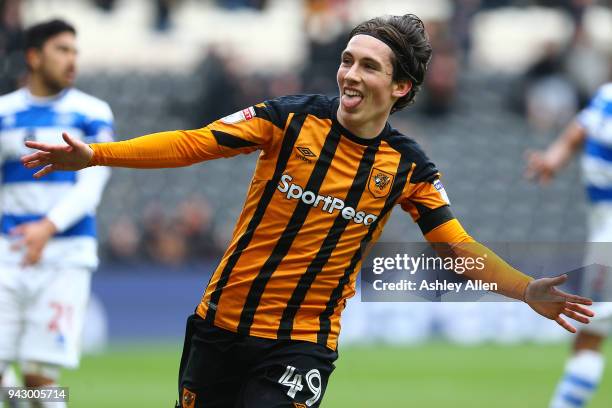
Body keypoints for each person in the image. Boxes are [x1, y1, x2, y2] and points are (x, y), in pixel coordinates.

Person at [22, 14, 594, 408]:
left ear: (400, 87)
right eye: (348, 60)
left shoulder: (409, 168)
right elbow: (194, 143)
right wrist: (96, 155)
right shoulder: (289, 117)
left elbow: (456, 247)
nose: (350, 74)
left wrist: (524, 290)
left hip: (302, 342)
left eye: (369, 67)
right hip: (219, 325)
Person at [0, 19, 113, 407]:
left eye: (75, 51)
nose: (72, 60)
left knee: (40, 376)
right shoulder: (3, 112)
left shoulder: (91, 112)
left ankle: (16, 395)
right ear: (33, 56)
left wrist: (48, 227)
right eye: (62, 50)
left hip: (65, 255)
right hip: (8, 252)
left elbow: (94, 180)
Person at [526, 83, 612, 408]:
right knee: (591, 336)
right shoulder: (607, 96)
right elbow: (580, 129)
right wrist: (553, 159)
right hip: (604, 235)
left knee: (590, 337)